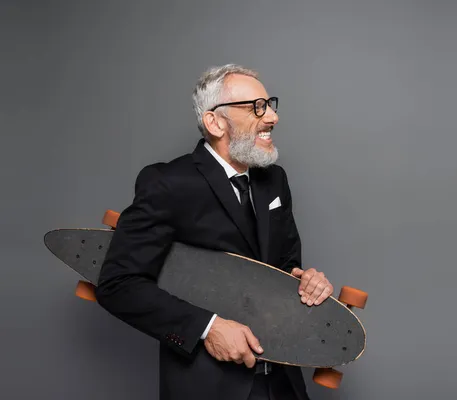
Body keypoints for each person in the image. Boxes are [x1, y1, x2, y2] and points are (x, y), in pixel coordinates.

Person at [95, 64, 334, 400]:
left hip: (284, 385)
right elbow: (118, 284)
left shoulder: (273, 180)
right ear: (215, 121)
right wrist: (207, 328)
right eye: (256, 107)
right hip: (208, 388)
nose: (272, 118)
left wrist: (305, 280)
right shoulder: (168, 183)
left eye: (270, 105)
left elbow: (283, 266)